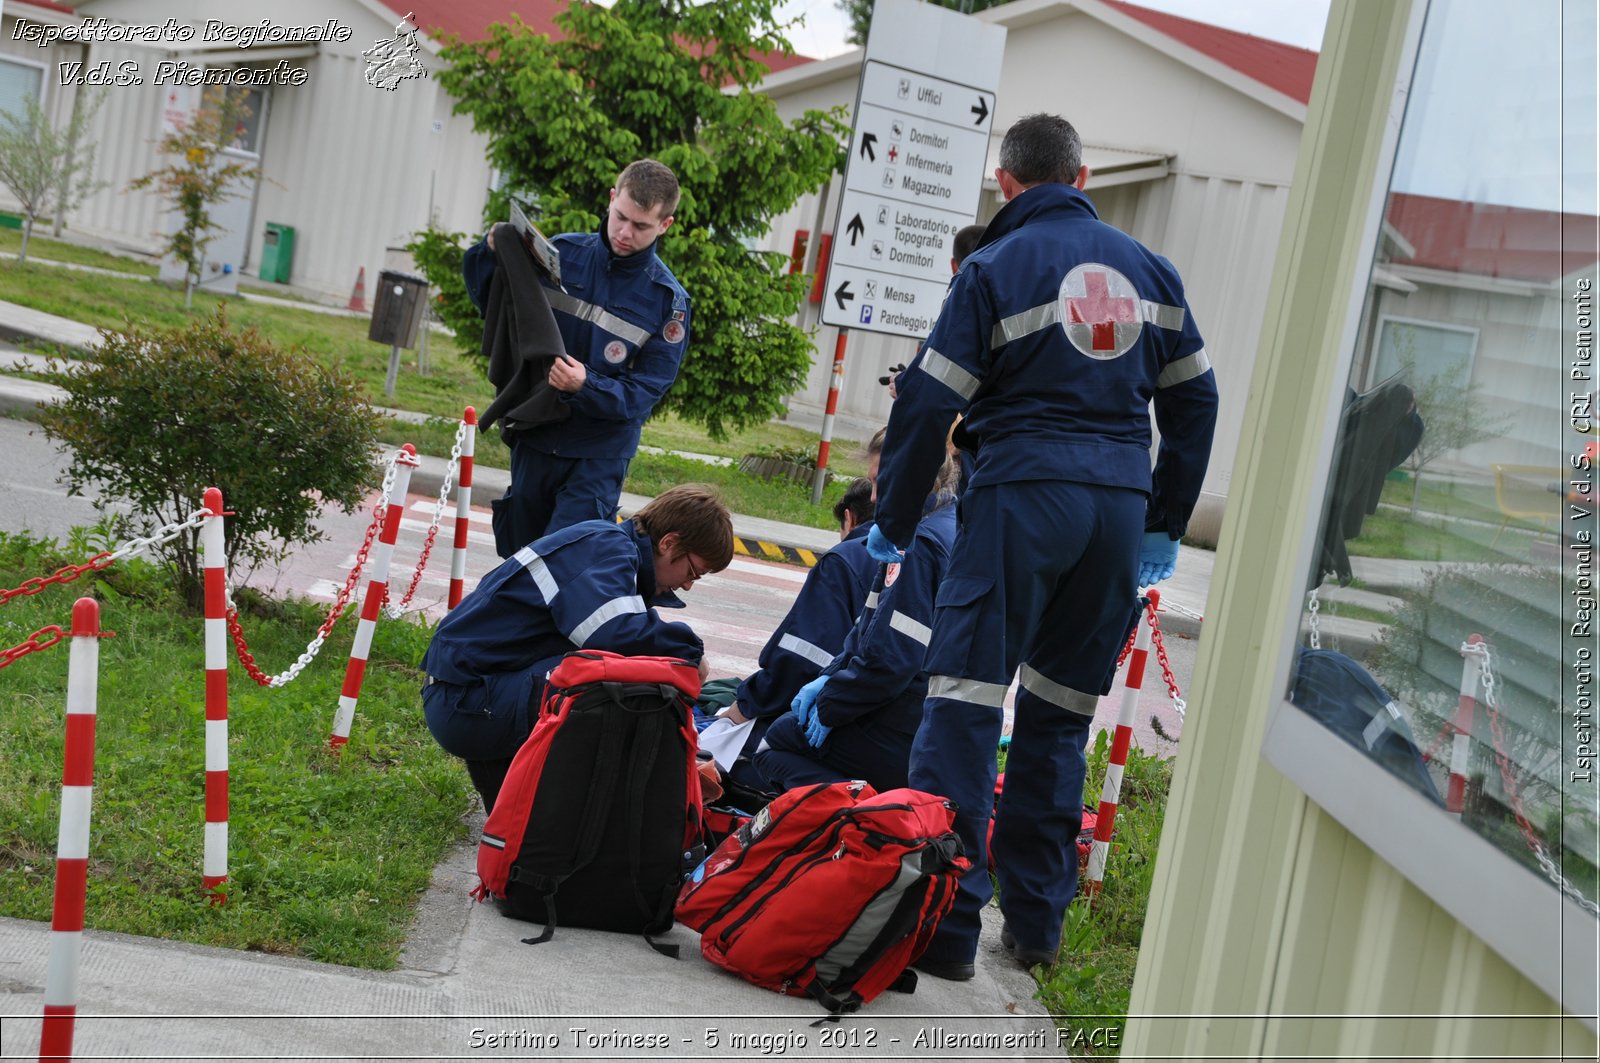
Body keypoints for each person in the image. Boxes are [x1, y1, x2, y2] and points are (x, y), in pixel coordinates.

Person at [870, 114, 1219, 980]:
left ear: (1007, 184)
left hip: (1021, 498)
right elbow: (1198, 403)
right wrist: (1162, 522)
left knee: (962, 703)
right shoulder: (1153, 272)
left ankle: (945, 931)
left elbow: (925, 402)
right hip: (1114, 512)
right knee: (1060, 721)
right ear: (1083, 175)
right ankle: (1035, 928)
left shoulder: (992, 267)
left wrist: (895, 516)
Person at [420, 484, 732, 813]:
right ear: (669, 542)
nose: (687, 584)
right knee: (608, 689)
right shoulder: (606, 549)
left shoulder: (608, 547)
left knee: (525, 831)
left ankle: (526, 817)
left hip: (474, 692)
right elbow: (612, 633)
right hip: (466, 701)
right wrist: (690, 653)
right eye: (693, 571)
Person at [463, 159, 690, 556]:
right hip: (537, 434)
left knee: (563, 561)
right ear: (612, 198)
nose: (624, 233)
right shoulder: (559, 253)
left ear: (665, 226)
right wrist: (490, 252)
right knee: (519, 557)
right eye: (620, 217)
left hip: (597, 454)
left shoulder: (668, 302)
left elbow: (644, 394)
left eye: (641, 227)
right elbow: (497, 308)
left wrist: (587, 385)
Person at [755, 452, 961, 796]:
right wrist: (827, 678)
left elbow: (893, 660)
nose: (875, 496)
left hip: (904, 724)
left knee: (773, 746)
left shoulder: (920, 543)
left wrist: (832, 704)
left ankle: (864, 814)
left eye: (882, 481)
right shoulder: (938, 524)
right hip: (924, 721)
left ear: (919, 478)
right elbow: (865, 628)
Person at [712, 453, 883, 795]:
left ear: (849, 519)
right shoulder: (927, 549)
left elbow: (802, 659)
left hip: (838, 723)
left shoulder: (844, 560)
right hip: (892, 730)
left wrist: (743, 708)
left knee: (745, 757)